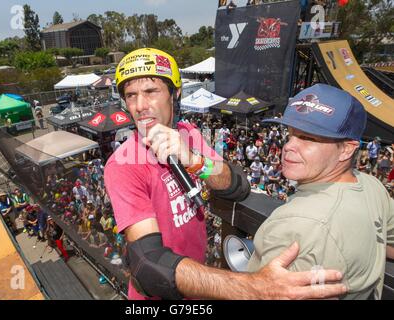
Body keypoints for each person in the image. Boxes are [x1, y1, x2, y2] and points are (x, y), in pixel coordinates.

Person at [104, 48, 346, 300]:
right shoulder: (122, 165)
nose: (140, 106)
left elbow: (236, 184)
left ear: (175, 93)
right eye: (131, 96)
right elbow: (148, 264)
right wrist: (255, 287)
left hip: (198, 280)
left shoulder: (188, 133)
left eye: (151, 92)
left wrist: (195, 161)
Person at [247, 84, 394, 299]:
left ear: (346, 149)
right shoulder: (372, 186)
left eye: (309, 138)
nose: (289, 146)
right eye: (290, 134)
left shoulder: (295, 224)